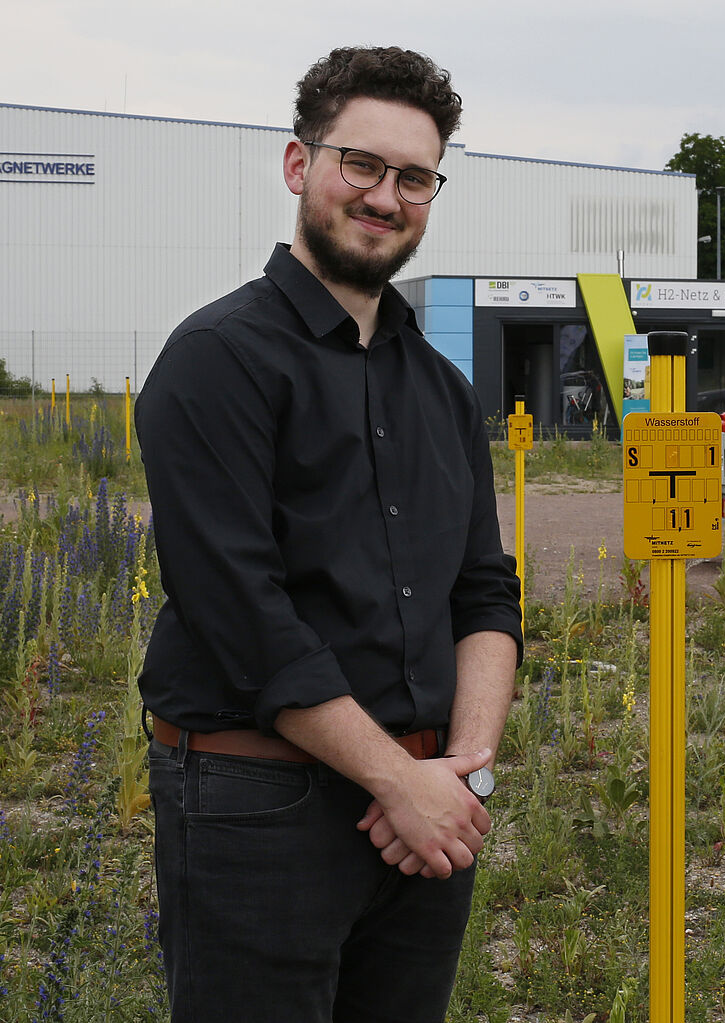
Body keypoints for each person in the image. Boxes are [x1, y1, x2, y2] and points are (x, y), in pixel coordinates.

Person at [135, 46, 522, 1023]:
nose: (387, 197)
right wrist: (404, 782)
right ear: (299, 164)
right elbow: (245, 621)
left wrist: (461, 774)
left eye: (416, 177)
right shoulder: (215, 361)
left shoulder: (444, 391)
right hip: (257, 807)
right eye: (362, 164)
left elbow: (483, 593)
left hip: (428, 815)